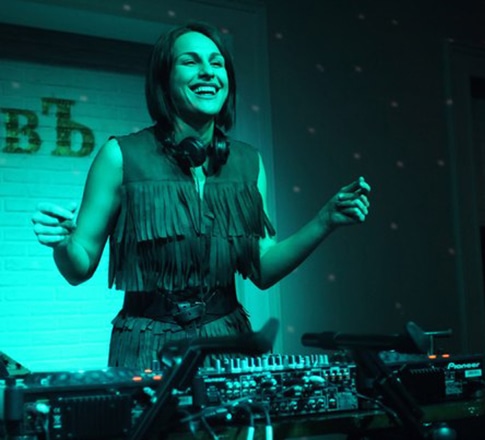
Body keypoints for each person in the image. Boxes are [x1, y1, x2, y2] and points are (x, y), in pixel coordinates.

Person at [31, 21, 371, 370]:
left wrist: (324, 221)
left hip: (228, 343)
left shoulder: (248, 162)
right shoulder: (119, 156)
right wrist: (63, 244)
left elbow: (263, 268)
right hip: (146, 346)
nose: (208, 72)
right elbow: (79, 267)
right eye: (190, 61)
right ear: (164, 79)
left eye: (217, 63)